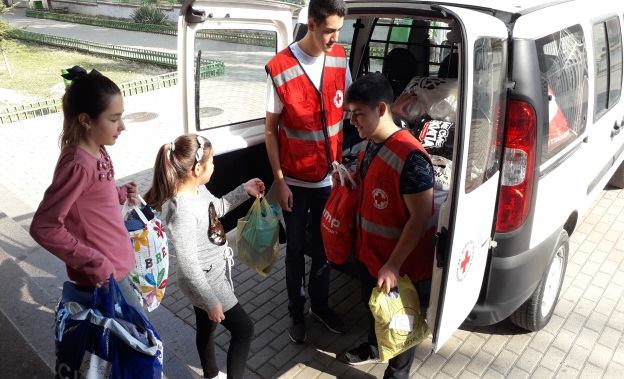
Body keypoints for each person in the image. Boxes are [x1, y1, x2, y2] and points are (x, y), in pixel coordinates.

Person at [264, 0, 351, 344]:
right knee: (296, 250)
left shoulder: (340, 57)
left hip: (329, 179)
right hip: (295, 183)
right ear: (311, 24)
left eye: (339, 31)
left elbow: (349, 109)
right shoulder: (281, 67)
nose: (335, 38)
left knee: (324, 248)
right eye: (330, 30)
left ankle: (321, 306)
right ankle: (296, 312)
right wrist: (280, 182)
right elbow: (271, 130)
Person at [144, 134, 264, 379]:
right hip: (206, 280)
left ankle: (210, 373)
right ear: (197, 169)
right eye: (211, 162)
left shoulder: (197, 189)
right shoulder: (182, 212)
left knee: (206, 327)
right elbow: (188, 266)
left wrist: (244, 190)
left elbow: (215, 209)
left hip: (211, 273)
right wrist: (210, 300)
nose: (214, 166)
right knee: (244, 330)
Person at [342, 73, 436, 379]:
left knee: (399, 330)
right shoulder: (371, 143)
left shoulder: (412, 159)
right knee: (374, 313)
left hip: (402, 268)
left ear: (382, 109)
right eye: (350, 115)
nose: (353, 122)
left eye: (358, 115)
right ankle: (372, 347)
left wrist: (394, 265)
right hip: (371, 256)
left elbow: (420, 218)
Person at [30, 66, 143, 309]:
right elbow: (44, 226)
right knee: (143, 343)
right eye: (114, 119)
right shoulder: (78, 165)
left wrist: (119, 194)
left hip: (118, 268)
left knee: (118, 343)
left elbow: (90, 200)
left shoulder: (98, 150)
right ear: (85, 120)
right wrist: (94, 262)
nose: (122, 126)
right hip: (105, 278)